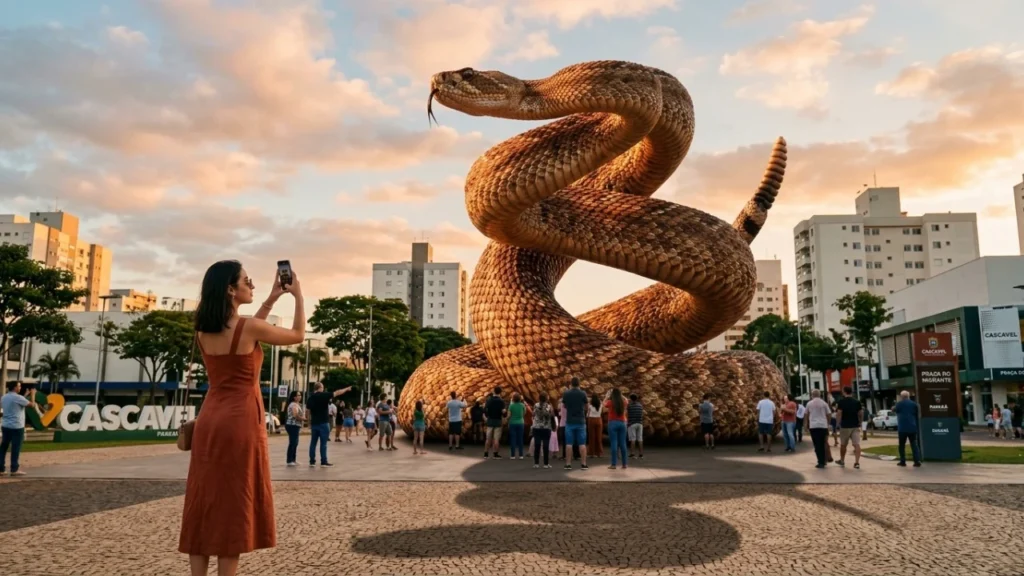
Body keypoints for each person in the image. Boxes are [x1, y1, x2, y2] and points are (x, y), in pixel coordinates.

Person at [179, 260, 305, 576]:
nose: (252, 285)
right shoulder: (248, 328)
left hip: (210, 420)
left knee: (204, 500)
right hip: (239, 422)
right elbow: (297, 335)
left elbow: (244, 333)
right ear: (230, 289)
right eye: (247, 281)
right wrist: (298, 295)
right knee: (233, 504)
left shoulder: (203, 332)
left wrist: (273, 298)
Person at [306, 382, 351, 467]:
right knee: (323, 443)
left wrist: (308, 422)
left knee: (313, 443)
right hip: (324, 422)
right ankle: (323, 461)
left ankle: (312, 461)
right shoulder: (324, 395)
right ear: (320, 388)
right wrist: (346, 389)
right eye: (322, 387)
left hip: (314, 423)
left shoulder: (310, 398)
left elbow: (307, 410)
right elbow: (337, 392)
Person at [1, 380, 38, 477]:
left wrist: (25, 395)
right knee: (15, 448)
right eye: (19, 386)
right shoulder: (18, 397)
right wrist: (33, 395)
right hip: (17, 426)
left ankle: (1, 468)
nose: (20, 387)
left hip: (6, 425)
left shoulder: (4, 397)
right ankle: (14, 469)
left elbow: (16, 404)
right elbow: (32, 405)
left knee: (3, 447)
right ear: (14, 387)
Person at [561, 377, 589, 470]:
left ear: (571, 384)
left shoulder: (566, 393)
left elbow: (564, 405)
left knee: (569, 444)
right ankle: (583, 464)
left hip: (570, 421)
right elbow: (586, 406)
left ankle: (568, 464)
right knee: (582, 444)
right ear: (579, 384)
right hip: (580, 421)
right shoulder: (583, 393)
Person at [835, 386, 863, 469]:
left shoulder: (841, 402)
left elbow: (839, 413)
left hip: (845, 425)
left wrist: (837, 423)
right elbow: (861, 413)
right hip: (855, 425)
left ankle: (842, 460)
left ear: (844, 392)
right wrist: (860, 422)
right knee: (856, 444)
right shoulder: (857, 402)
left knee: (843, 445)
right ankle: (857, 462)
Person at [892, 390, 921, 467]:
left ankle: (903, 461)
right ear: (908, 396)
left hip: (902, 428)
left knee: (902, 445)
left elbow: (893, 409)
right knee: (914, 444)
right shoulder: (914, 404)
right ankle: (917, 461)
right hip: (912, 427)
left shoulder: (899, 404)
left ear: (902, 397)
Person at [803, 389, 831, 468]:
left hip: (814, 426)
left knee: (817, 444)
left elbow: (806, 415)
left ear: (812, 395)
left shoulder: (809, 403)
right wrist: (827, 423)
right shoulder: (824, 403)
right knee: (823, 443)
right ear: (819, 395)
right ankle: (824, 460)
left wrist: (805, 425)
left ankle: (820, 461)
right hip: (823, 426)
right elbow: (829, 414)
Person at [604, 388, 628, 469]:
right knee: (623, 444)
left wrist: (607, 396)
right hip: (622, 423)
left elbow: (604, 404)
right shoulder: (623, 402)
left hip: (612, 423)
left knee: (614, 443)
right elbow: (627, 400)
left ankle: (613, 464)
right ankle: (624, 464)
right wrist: (621, 395)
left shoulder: (610, 402)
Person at [531, 392, 555, 469]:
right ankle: (546, 463)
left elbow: (533, 414)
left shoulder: (536, 405)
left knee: (537, 445)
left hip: (536, 427)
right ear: (547, 398)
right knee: (546, 445)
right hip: (546, 428)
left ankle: (536, 463)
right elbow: (550, 416)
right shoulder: (548, 406)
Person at [283, 390, 304, 466]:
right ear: (294, 397)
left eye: (300, 395)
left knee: (295, 442)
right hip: (292, 425)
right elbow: (295, 415)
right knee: (293, 442)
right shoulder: (293, 405)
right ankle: (289, 460)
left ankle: (293, 459)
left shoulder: (296, 404)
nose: (300, 397)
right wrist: (303, 418)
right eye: (298, 395)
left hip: (296, 425)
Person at [483, 387, 505, 459]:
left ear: (494, 391)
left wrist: (486, 417)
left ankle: (486, 453)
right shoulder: (501, 401)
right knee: (496, 439)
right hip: (498, 421)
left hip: (490, 420)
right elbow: (503, 412)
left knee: (488, 438)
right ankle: (495, 454)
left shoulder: (489, 400)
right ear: (500, 392)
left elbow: (485, 410)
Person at [507, 393, 526, 459]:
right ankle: (521, 455)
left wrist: (507, 419)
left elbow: (509, 415)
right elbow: (524, 413)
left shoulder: (511, 406)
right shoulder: (522, 405)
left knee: (513, 439)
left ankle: (513, 455)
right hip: (521, 422)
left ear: (513, 399)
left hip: (512, 423)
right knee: (520, 438)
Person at [627, 393, 645, 458]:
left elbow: (627, 413)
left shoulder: (629, 406)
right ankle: (641, 454)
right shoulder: (640, 405)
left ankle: (632, 453)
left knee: (633, 439)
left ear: (631, 399)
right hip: (640, 423)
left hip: (632, 423)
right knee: (640, 439)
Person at [586, 393, 604, 458]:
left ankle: (592, 453)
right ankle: (599, 453)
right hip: (599, 420)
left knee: (591, 437)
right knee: (599, 437)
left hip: (591, 420)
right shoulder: (600, 404)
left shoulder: (590, 405)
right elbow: (601, 412)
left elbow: (587, 414)